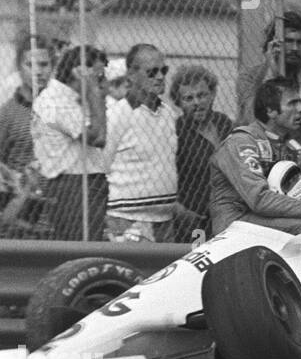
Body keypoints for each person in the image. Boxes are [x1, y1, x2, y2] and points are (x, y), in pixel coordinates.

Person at [209, 78, 301, 236]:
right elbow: (258, 199)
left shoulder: (290, 145)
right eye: (292, 103)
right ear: (270, 111)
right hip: (234, 221)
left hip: (265, 217)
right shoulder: (242, 142)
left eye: (300, 102)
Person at [104, 44, 181, 243]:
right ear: (131, 75)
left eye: (163, 70)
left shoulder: (169, 114)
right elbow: (102, 165)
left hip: (165, 220)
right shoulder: (117, 115)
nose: (160, 76)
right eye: (151, 72)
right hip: (127, 219)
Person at [31, 45, 110, 240]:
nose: (101, 83)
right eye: (98, 76)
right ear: (79, 72)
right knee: (82, 244)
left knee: (91, 241)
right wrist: (93, 91)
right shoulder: (56, 101)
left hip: (83, 180)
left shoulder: (70, 99)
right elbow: (97, 137)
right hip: (73, 184)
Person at [172, 65, 234, 240]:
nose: (197, 103)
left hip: (227, 213)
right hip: (194, 217)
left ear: (212, 94)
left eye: (202, 95)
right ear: (179, 102)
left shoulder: (223, 123)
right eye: (188, 98)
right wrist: (182, 212)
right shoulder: (176, 131)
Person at [0, 37, 53, 232]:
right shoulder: (8, 114)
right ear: (19, 67)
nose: (38, 71)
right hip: (20, 214)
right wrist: (16, 179)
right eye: (30, 64)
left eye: (44, 64)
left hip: (59, 210)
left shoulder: (62, 108)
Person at [236, 11, 301, 125]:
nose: (295, 48)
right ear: (273, 43)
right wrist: (270, 67)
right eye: (288, 41)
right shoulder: (249, 77)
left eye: (300, 42)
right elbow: (250, 119)